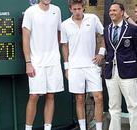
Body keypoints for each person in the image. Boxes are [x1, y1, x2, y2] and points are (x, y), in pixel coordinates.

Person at [61, 0, 105, 130]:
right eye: (74, 9)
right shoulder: (65, 25)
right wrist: (67, 67)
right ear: (70, 9)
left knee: (99, 97)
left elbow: (104, 35)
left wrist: (101, 53)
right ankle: (82, 127)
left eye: (79, 9)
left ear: (83, 8)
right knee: (79, 98)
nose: (77, 11)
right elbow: (64, 46)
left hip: (91, 65)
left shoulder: (93, 18)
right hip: (74, 67)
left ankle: (98, 128)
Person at [22, 0, 64, 130]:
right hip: (36, 62)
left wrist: (54, 51)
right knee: (34, 96)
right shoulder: (30, 12)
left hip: (53, 61)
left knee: (51, 95)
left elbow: (59, 33)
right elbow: (25, 38)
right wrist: (28, 62)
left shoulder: (56, 10)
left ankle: (48, 128)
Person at [104, 2, 137, 130]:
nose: (111, 12)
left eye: (114, 10)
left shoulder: (132, 29)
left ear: (122, 12)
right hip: (111, 72)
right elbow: (109, 50)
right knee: (113, 107)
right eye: (110, 10)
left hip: (128, 72)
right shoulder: (106, 30)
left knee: (133, 106)